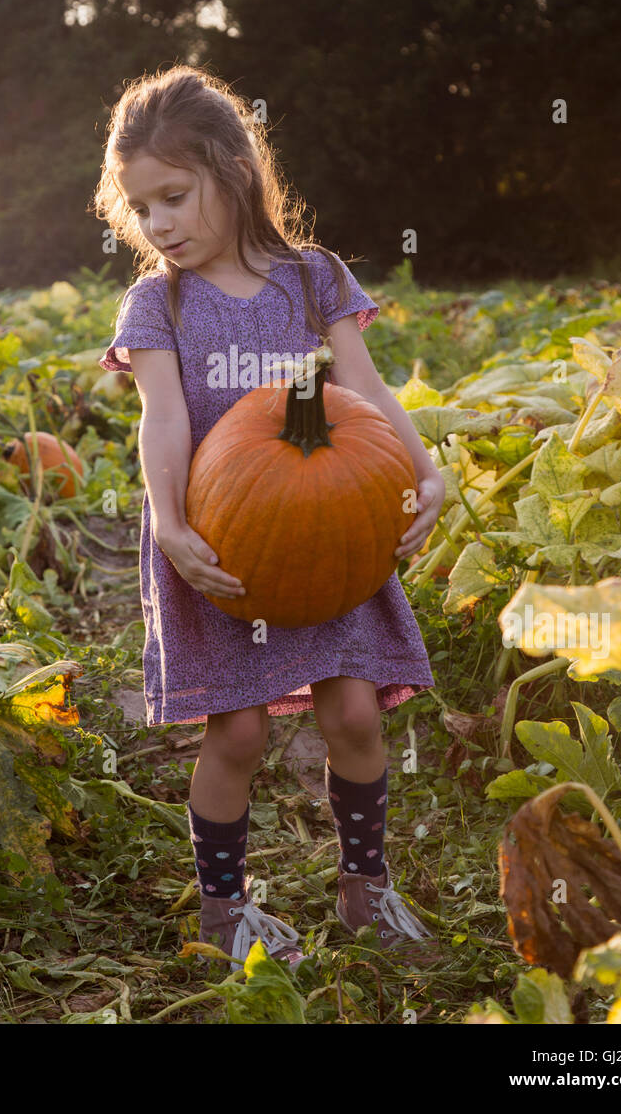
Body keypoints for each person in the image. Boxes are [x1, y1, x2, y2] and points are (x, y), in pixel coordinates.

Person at [94, 65, 446, 972]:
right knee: (240, 733)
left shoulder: (311, 280)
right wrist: (171, 526)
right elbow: (163, 419)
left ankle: (365, 890)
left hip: (328, 530)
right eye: (141, 209)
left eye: (173, 197)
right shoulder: (158, 303)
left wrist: (425, 470)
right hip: (221, 541)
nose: (158, 224)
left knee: (358, 715)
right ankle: (224, 912)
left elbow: (360, 390)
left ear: (234, 170)